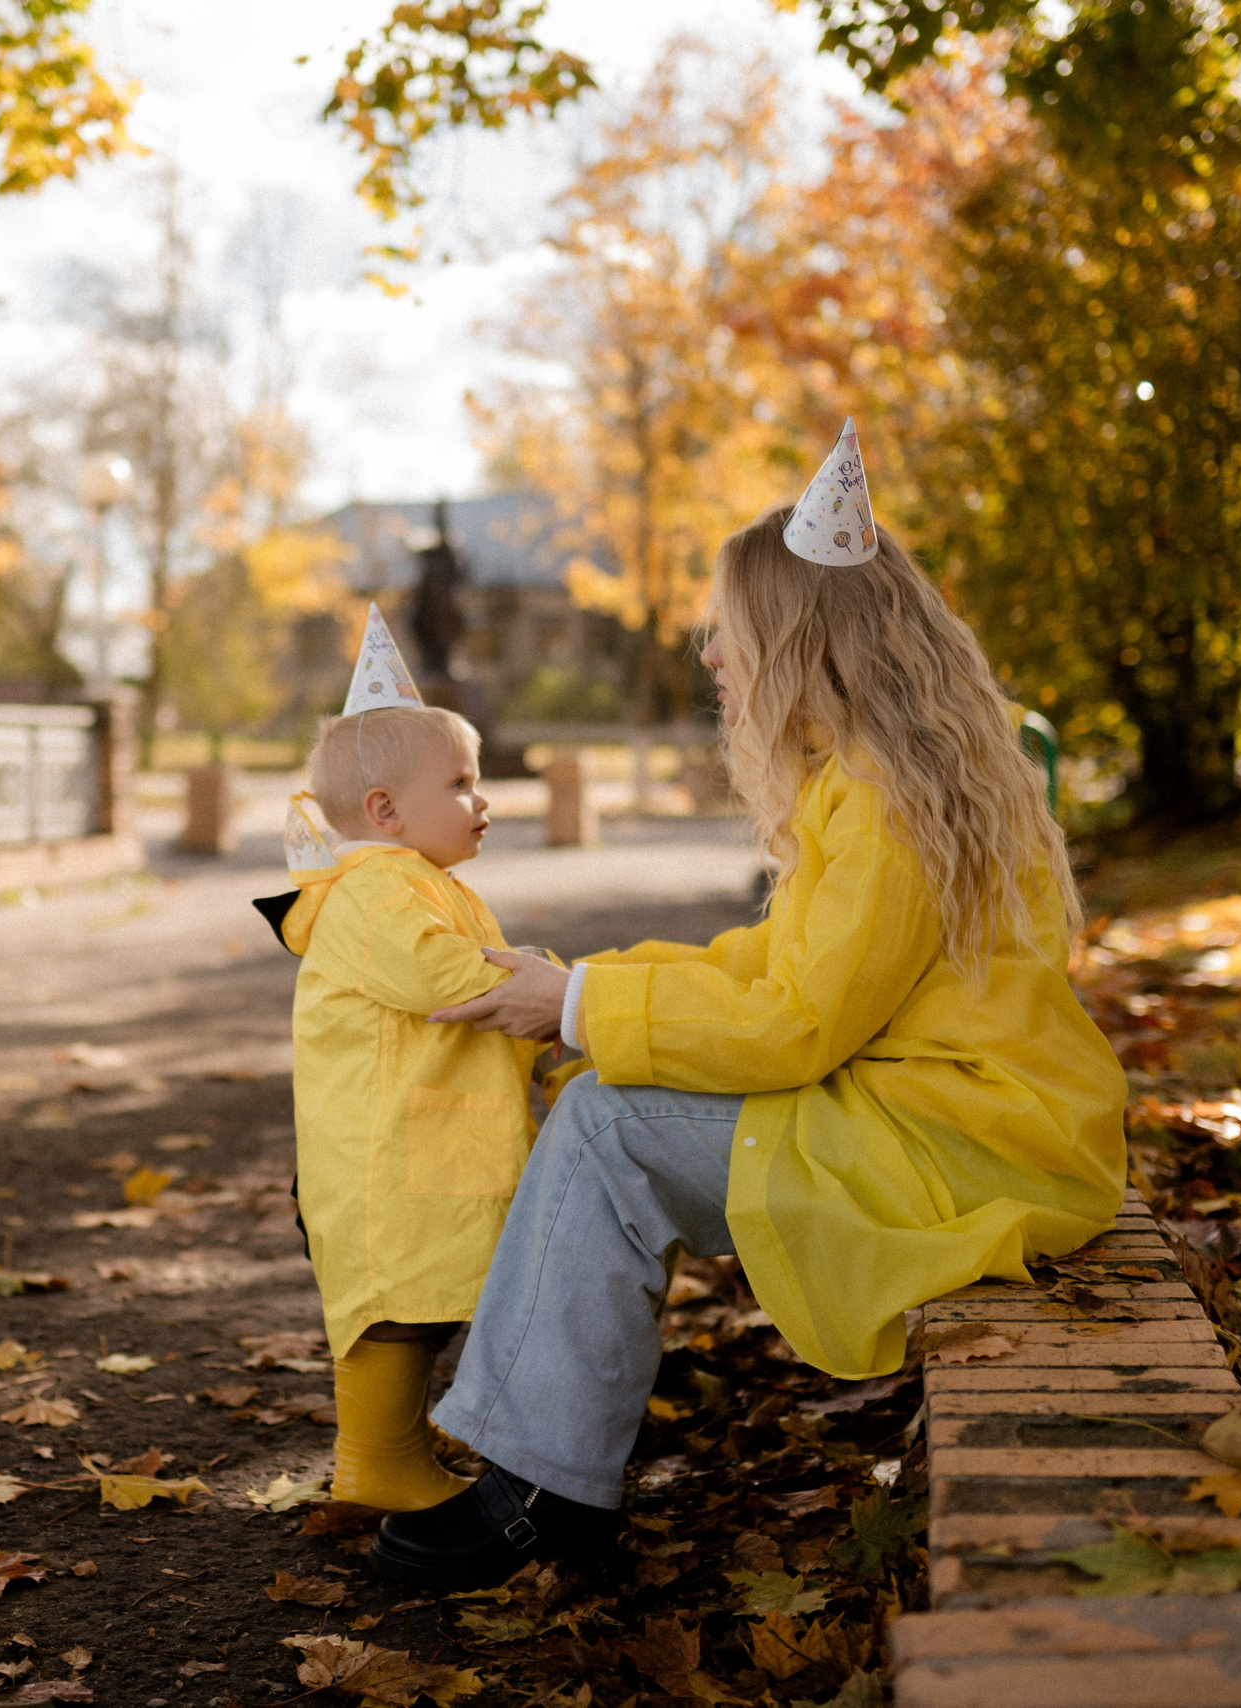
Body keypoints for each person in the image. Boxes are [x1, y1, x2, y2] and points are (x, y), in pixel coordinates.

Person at [369, 429, 1128, 1590]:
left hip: (964, 1146)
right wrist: (575, 985)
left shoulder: (880, 803)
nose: (710, 648)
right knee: (605, 1099)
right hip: (959, 1122)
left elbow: (791, 1027)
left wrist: (576, 1003)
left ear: (796, 639)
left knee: (606, 1122)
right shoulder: (875, 780)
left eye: (730, 626)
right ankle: (555, 1431)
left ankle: (543, 1486)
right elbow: (765, 965)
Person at [260, 609, 554, 1513]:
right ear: (385, 811)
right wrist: (541, 991)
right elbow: (445, 981)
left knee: (422, 1302)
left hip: (421, 1144)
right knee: (393, 1306)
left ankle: (392, 1443)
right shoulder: (374, 893)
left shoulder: (417, 885)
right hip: (385, 1156)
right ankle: (376, 1465)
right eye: (462, 783)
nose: (484, 800)